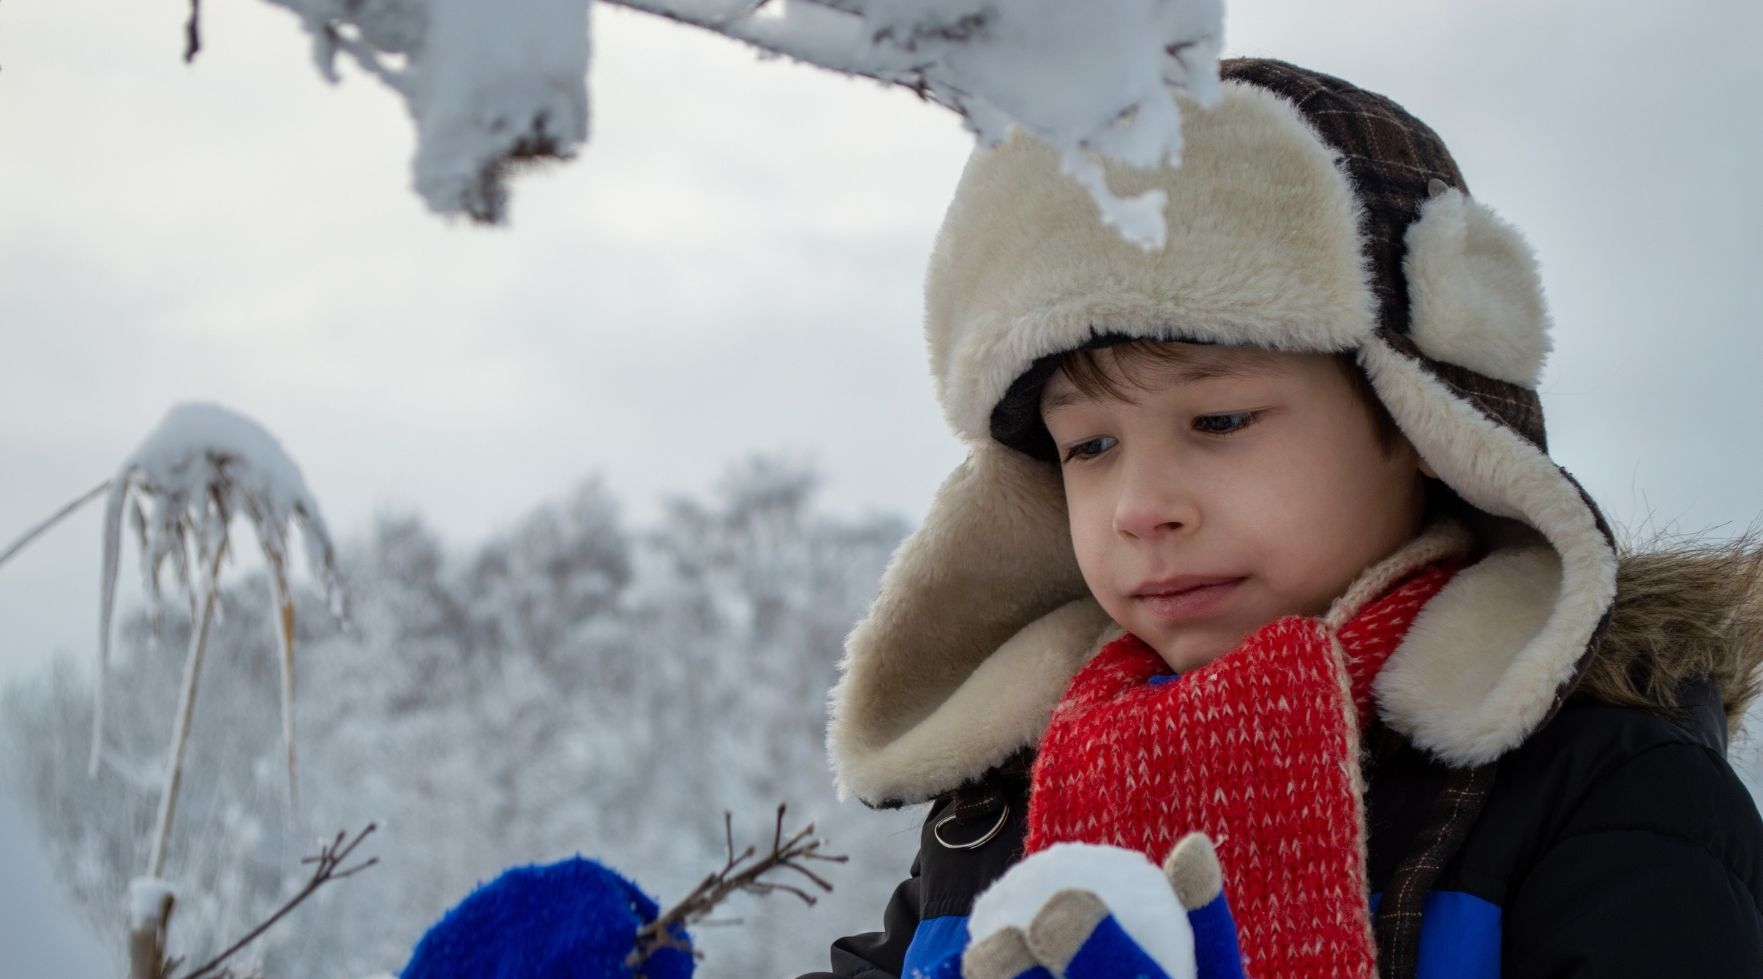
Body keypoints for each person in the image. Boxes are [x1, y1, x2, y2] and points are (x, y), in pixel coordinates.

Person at [800, 58, 1763, 978]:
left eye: (1218, 420)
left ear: (1420, 421)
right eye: (1088, 447)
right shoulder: (1005, 806)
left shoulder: (1603, 795)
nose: (1141, 508)